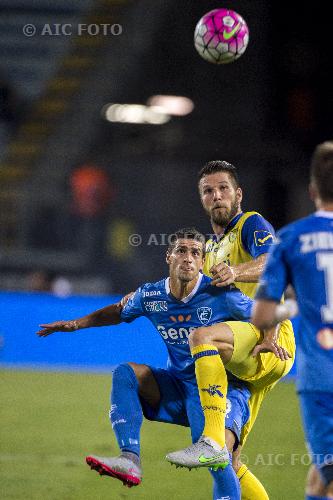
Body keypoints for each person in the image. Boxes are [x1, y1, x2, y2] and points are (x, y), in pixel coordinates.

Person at [38, 228, 279, 500]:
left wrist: (269, 339)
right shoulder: (151, 296)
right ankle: (129, 457)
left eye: (195, 253)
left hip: (219, 391)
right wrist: (75, 324)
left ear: (203, 262)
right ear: (169, 256)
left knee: (219, 460)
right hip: (177, 387)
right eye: (181, 251)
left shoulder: (220, 293)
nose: (188, 258)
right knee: (126, 374)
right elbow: (118, 312)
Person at [167, 161, 295, 500]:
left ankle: (207, 439)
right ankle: (216, 444)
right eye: (208, 191)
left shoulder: (250, 224)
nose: (216, 195)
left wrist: (236, 272)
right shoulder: (208, 252)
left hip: (269, 339)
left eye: (223, 188)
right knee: (228, 462)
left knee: (203, 338)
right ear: (202, 200)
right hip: (242, 357)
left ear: (238, 194)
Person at [251, 141, 333, 500]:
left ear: (312, 190)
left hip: (321, 380)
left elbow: (263, 315)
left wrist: (293, 309)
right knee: (320, 476)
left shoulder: (289, 239)